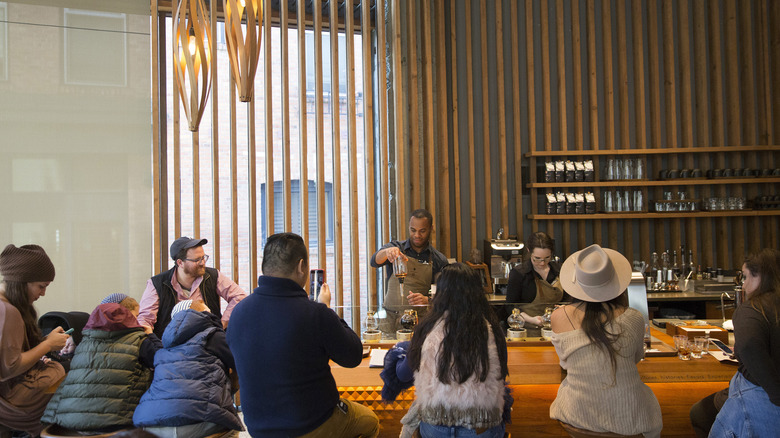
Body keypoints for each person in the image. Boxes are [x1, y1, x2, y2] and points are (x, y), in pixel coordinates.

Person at [227, 232, 379, 438]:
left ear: (265, 267)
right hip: (310, 424)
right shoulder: (314, 313)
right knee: (369, 421)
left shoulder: (238, 312)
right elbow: (352, 356)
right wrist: (325, 307)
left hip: (257, 426)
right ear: (301, 266)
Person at [384, 263, 510, 438]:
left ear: (441, 293)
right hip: (481, 426)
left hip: (436, 426)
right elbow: (501, 374)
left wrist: (397, 354)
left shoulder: (427, 329)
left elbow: (404, 374)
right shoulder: (493, 329)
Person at [549, 244, 662, 437]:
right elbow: (636, 357)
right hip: (631, 419)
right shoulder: (634, 317)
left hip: (577, 415)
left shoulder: (558, 317)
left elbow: (565, 363)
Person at [42, 300, 161, 432]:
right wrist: (150, 334)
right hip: (116, 424)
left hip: (68, 424)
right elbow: (163, 361)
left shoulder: (83, 344)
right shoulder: (138, 340)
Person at [134, 299, 243, 438]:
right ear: (203, 315)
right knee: (232, 427)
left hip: (151, 423)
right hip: (200, 420)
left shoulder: (166, 346)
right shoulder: (212, 336)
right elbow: (243, 364)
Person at [709, 248, 780, 437]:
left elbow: (749, 345)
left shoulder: (752, 309)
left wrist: (775, 392)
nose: (744, 285)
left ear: (760, 278)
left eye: (746, 277)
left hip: (759, 397)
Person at [0, 244, 69, 436]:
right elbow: (9, 368)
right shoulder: (8, 311)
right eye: (41, 286)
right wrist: (47, 345)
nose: (43, 293)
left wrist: (45, 344)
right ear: (22, 282)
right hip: (11, 401)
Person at [137, 236, 247, 337]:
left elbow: (239, 297)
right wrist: (156, 346)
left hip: (209, 342)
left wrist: (221, 325)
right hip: (171, 346)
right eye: (196, 260)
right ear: (180, 263)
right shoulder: (157, 283)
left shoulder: (213, 276)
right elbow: (145, 320)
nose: (202, 263)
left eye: (203, 257)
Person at [370, 209, 448, 312]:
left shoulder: (438, 260)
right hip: (390, 318)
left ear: (431, 228)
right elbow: (374, 261)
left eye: (422, 231)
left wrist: (428, 300)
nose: (417, 235)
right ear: (408, 228)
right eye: (413, 230)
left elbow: (445, 295)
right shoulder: (396, 247)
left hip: (418, 320)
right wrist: (386, 252)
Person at [505, 232, 566, 325]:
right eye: (537, 258)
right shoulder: (519, 273)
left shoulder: (560, 271)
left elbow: (569, 301)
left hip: (557, 327)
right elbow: (510, 306)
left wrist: (564, 308)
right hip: (528, 329)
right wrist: (531, 319)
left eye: (547, 258)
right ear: (529, 251)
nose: (542, 263)